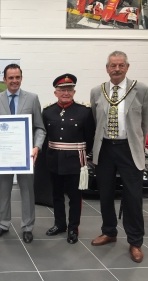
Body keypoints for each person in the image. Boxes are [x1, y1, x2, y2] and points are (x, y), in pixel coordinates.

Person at [90, 51, 147, 263]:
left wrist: (138, 144)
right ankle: (109, 231)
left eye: (121, 65)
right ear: (107, 68)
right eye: (113, 65)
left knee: (133, 197)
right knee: (105, 193)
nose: (116, 69)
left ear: (127, 67)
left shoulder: (141, 90)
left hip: (129, 149)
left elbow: (144, 122)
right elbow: (97, 120)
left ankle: (135, 241)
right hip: (105, 148)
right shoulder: (98, 91)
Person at [0, 64, 46, 243]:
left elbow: (40, 128)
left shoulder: (32, 98)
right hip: (5, 155)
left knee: (27, 191)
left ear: (21, 78)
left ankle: (28, 227)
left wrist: (36, 147)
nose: (14, 81)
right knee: (4, 190)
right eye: (11, 78)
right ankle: (4, 223)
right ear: (4, 80)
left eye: (17, 77)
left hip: (26, 156)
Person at [42, 74, 95, 244]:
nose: (66, 92)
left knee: (74, 196)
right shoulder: (48, 111)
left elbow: (90, 138)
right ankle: (59, 224)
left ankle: (73, 227)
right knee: (56, 195)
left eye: (69, 89)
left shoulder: (85, 111)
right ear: (55, 92)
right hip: (54, 159)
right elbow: (44, 136)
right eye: (62, 90)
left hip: (75, 161)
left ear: (74, 91)